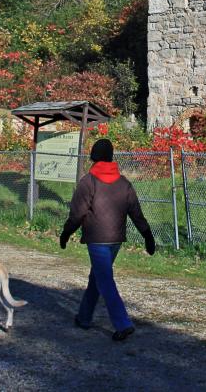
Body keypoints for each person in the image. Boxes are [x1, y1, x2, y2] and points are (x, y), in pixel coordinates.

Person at [59, 138, 155, 341]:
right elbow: (136, 214)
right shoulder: (124, 183)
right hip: (116, 240)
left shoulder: (88, 182)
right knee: (98, 277)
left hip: (96, 239)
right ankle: (84, 317)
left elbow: (77, 214)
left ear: (93, 157)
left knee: (104, 280)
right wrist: (147, 235)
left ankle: (122, 323)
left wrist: (66, 233)